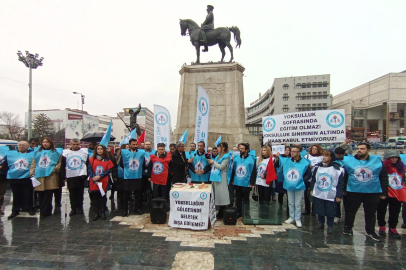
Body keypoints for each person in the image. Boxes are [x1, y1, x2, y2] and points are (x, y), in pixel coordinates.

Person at [342, 143, 388, 242]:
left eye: (362, 149)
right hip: (353, 191)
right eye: (358, 148)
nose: (359, 150)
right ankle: (347, 228)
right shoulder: (350, 161)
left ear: (368, 150)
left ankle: (370, 231)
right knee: (350, 211)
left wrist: (384, 192)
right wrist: (344, 189)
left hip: (372, 192)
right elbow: (345, 176)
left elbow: (383, 176)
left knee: (371, 213)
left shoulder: (377, 161)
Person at [275, 145, 312, 228]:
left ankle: (297, 219)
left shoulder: (305, 162)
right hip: (289, 184)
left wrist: (302, 180)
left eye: (294, 151)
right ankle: (291, 217)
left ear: (298, 153)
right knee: (290, 202)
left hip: (299, 185)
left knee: (298, 203)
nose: (292, 153)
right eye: (291, 151)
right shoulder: (287, 161)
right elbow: (282, 169)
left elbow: (308, 174)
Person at [310, 150, 344, 234]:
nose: (324, 157)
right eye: (323, 155)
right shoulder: (318, 167)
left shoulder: (337, 168)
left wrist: (339, 195)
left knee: (330, 209)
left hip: (331, 193)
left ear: (331, 157)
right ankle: (320, 222)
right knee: (319, 207)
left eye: (326, 156)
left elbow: (340, 183)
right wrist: (311, 189)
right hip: (320, 191)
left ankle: (330, 225)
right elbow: (314, 179)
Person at [30, 137, 63, 219]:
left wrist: (55, 169)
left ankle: (46, 211)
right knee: (41, 194)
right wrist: (32, 172)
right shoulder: (37, 152)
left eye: (47, 142)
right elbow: (34, 163)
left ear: (51, 143)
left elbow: (59, 163)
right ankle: (42, 210)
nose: (45, 143)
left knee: (48, 194)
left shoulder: (56, 152)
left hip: (51, 176)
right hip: (39, 175)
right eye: (43, 142)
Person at [377, 150, 406, 239]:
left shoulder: (401, 168)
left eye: (396, 158)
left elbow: (402, 180)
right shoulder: (383, 168)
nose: (394, 159)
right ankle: (382, 226)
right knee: (381, 211)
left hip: (397, 192)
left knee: (395, 211)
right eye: (392, 158)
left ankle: (392, 227)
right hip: (385, 192)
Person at [5, 141, 36, 218]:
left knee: (28, 194)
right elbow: (5, 164)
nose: (21, 146)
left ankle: (30, 208)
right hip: (14, 178)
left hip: (27, 177)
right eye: (20, 145)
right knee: (16, 195)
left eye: (24, 145)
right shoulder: (10, 154)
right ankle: (15, 210)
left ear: (28, 146)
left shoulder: (32, 154)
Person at [61, 138, 88, 216]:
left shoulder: (83, 152)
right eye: (74, 144)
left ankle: (80, 207)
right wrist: (63, 176)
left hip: (80, 176)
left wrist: (85, 175)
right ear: (71, 144)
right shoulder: (66, 153)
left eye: (77, 144)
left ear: (79, 144)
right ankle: (73, 208)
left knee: (80, 193)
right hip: (70, 176)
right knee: (72, 193)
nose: (75, 146)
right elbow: (63, 165)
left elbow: (86, 164)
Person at [119, 138, 146, 216]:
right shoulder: (124, 154)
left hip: (138, 176)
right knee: (126, 194)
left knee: (138, 194)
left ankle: (137, 208)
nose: (135, 146)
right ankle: (125, 210)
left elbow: (143, 164)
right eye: (133, 144)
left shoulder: (141, 153)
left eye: (136, 144)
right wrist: (128, 170)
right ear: (130, 145)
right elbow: (121, 164)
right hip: (128, 177)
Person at [88, 144, 114, 221]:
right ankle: (96, 212)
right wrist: (94, 178)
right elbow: (90, 170)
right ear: (96, 150)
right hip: (94, 181)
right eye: (98, 149)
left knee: (103, 197)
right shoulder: (91, 159)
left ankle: (102, 212)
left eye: (101, 149)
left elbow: (108, 170)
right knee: (95, 197)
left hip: (103, 180)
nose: (100, 150)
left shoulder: (107, 159)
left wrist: (100, 176)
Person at [230, 143, 257, 218]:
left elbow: (253, 171)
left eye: (242, 148)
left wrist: (252, 182)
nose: (240, 150)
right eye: (240, 148)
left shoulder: (252, 159)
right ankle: (239, 212)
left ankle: (246, 213)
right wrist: (232, 179)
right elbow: (233, 169)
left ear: (247, 150)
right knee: (238, 198)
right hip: (237, 181)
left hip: (246, 182)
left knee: (246, 199)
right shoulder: (236, 158)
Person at [208, 142, 230, 219]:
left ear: (223, 148)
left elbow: (221, 167)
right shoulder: (218, 156)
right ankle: (220, 211)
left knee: (222, 194)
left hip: (222, 177)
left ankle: (223, 210)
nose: (217, 149)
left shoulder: (226, 157)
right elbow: (215, 165)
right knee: (217, 194)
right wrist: (211, 163)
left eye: (219, 147)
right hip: (216, 177)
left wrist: (213, 162)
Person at [303, 144, 324, 215]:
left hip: (317, 179)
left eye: (316, 149)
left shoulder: (321, 157)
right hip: (308, 178)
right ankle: (307, 209)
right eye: (313, 149)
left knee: (315, 194)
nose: (314, 150)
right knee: (306, 194)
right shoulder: (307, 157)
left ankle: (314, 210)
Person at [333, 147, 346, 223]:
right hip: (337, 182)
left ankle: (346, 216)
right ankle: (337, 215)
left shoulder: (347, 161)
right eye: (337, 154)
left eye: (340, 155)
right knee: (336, 200)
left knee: (347, 202)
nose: (338, 156)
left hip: (346, 182)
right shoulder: (334, 161)